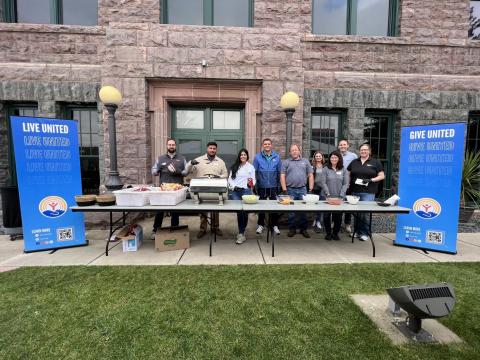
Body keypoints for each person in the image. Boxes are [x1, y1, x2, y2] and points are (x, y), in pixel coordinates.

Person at [185, 141, 228, 239]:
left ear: (216, 150)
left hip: (216, 190)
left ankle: (215, 227)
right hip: (201, 189)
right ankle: (202, 229)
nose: (212, 150)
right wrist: (191, 163)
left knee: (216, 209)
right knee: (203, 210)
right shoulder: (198, 160)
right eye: (210, 148)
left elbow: (225, 174)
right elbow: (188, 170)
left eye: (214, 148)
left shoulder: (220, 162)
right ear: (207, 149)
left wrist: (219, 176)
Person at [347, 143, 385, 241]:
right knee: (356, 213)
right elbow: (349, 174)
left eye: (365, 150)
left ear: (369, 151)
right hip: (355, 191)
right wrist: (347, 185)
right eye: (362, 150)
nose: (363, 151)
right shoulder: (354, 162)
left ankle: (364, 233)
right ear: (359, 151)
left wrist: (371, 180)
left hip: (368, 192)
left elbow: (382, 176)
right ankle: (356, 231)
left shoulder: (375, 162)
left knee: (365, 213)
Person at [151, 139, 187, 239]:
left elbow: (186, 171)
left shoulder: (182, 158)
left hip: (177, 189)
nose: (171, 146)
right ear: (167, 146)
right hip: (164, 189)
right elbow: (154, 170)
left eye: (173, 145)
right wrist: (156, 171)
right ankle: (155, 230)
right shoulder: (160, 158)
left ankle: (174, 229)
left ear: (176, 146)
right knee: (160, 210)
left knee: (175, 211)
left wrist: (178, 171)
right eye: (169, 144)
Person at [280, 144, 314, 238]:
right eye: (292, 150)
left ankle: (304, 229)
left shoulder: (305, 161)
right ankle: (292, 229)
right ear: (290, 152)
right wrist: (284, 189)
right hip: (290, 189)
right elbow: (282, 176)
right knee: (291, 211)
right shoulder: (286, 162)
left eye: (296, 150)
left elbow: (310, 175)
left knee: (304, 210)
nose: (294, 152)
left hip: (303, 189)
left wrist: (310, 189)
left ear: (299, 151)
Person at [253, 138, 282, 236]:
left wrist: (279, 185)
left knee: (275, 207)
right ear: (263, 145)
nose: (267, 145)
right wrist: (255, 185)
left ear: (271, 145)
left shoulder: (277, 157)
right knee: (261, 207)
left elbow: (279, 172)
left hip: (273, 186)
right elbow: (254, 172)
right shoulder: (257, 157)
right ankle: (261, 225)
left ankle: (274, 225)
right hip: (262, 186)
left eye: (269, 144)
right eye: (265, 144)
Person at [228, 149, 256, 244]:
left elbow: (253, 180)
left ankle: (242, 232)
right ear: (239, 156)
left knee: (245, 212)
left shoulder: (251, 167)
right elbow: (230, 179)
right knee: (240, 211)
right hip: (236, 192)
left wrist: (250, 184)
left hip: (246, 191)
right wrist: (234, 187)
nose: (243, 156)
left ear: (247, 156)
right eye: (241, 155)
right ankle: (241, 232)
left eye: (244, 155)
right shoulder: (235, 167)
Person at [320, 150, 350, 241]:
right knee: (326, 216)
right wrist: (327, 193)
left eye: (335, 157)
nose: (333, 159)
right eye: (332, 157)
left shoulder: (344, 169)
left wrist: (341, 195)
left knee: (338, 217)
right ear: (330, 159)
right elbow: (323, 182)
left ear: (339, 159)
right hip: (327, 196)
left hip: (339, 197)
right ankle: (328, 233)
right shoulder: (325, 169)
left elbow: (346, 183)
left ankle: (335, 233)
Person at [338, 139, 357, 234]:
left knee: (348, 203)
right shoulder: (336, 155)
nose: (343, 146)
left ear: (348, 146)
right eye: (341, 145)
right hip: (338, 183)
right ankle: (336, 222)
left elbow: (357, 168)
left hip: (349, 183)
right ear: (338, 146)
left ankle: (347, 224)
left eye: (344, 144)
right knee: (338, 202)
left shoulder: (353, 156)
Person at [311, 151, 325, 233]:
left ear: (322, 157)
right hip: (315, 188)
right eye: (316, 156)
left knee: (321, 205)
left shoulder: (325, 166)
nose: (318, 157)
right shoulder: (312, 166)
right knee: (315, 205)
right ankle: (315, 219)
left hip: (323, 188)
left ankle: (319, 221)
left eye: (319, 156)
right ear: (314, 157)